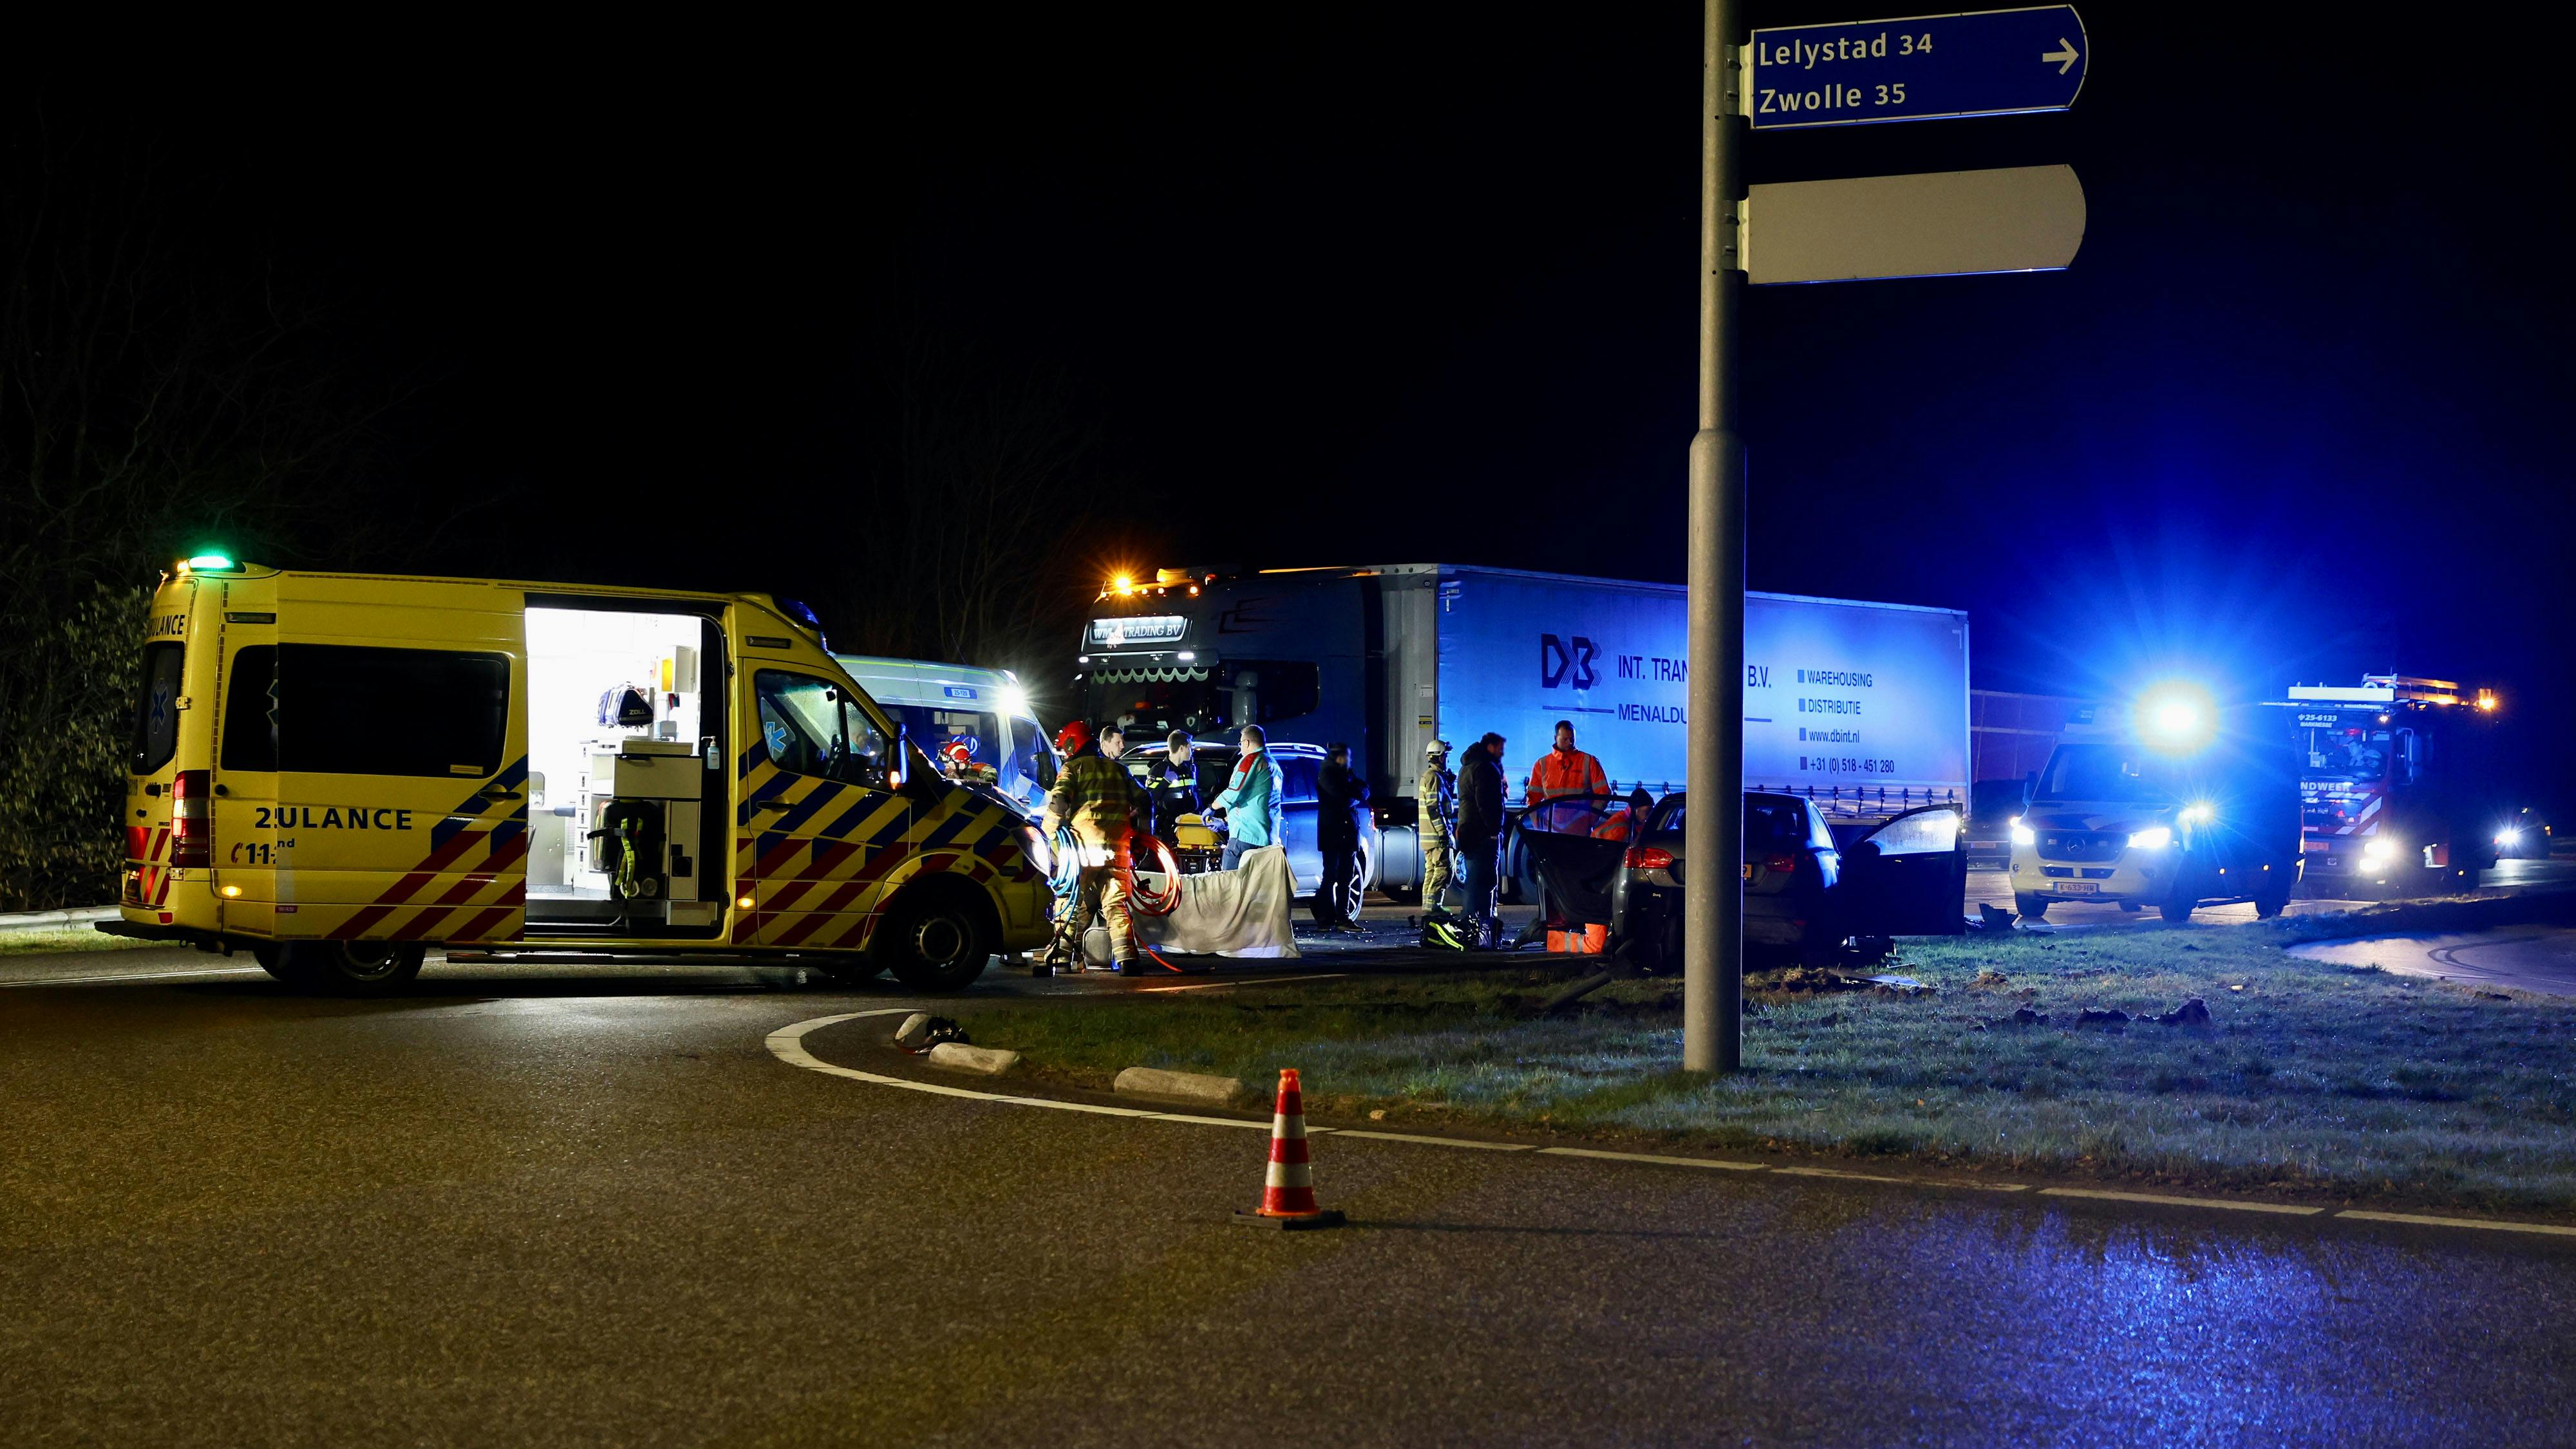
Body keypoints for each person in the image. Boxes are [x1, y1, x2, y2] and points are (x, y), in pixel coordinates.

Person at [1039, 722, 1150, 973]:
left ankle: (1060, 959)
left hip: (1084, 850)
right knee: (1116, 905)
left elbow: (1059, 801)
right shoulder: (1119, 770)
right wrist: (1144, 834)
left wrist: (1048, 835)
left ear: (1071, 745)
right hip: (1118, 851)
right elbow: (1145, 800)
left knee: (1069, 901)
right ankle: (1128, 960)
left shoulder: (1072, 768)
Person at [1207, 723, 1285, 871]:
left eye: (1241, 743)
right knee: (1256, 888)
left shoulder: (1251, 760)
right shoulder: (1272, 764)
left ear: (1247, 742)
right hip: (1266, 838)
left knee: (1230, 884)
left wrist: (1212, 807)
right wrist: (1225, 822)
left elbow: (1235, 791)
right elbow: (1254, 801)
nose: (1240, 748)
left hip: (1245, 838)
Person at [1313, 740, 1369, 930]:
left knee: (1346, 876)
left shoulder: (1348, 774)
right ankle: (1326, 918)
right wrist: (1353, 794)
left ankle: (1343, 918)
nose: (1350, 760)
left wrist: (1352, 793)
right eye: (1347, 756)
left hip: (1348, 834)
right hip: (1333, 834)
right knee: (1331, 875)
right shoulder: (1327, 774)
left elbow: (1365, 790)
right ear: (1339, 757)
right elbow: (1341, 800)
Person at [1455, 731, 1507, 933]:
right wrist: (1494, 830)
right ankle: (1484, 931)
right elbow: (1487, 804)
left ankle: (1470, 927)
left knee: (1473, 882)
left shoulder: (1467, 768)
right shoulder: (1485, 769)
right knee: (1486, 883)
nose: (1501, 753)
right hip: (1483, 833)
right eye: (1498, 749)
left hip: (1468, 830)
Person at [1525, 719, 1610, 836]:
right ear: (1556, 738)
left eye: (1572, 739)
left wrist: (1590, 819)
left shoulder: (1588, 761)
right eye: (1565, 739)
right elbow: (1533, 800)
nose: (1570, 742)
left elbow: (1604, 794)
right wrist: (1539, 827)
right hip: (1552, 832)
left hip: (1578, 832)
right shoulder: (1542, 764)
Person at [1417, 738, 1457, 910]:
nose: (1447, 759)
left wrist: (1450, 784)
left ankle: (1428, 907)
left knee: (1431, 872)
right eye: (1446, 756)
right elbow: (1434, 808)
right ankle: (1434, 907)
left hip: (1429, 837)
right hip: (1436, 836)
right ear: (1441, 758)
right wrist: (1443, 833)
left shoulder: (1431, 777)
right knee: (1443, 871)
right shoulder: (1434, 778)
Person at [1144, 730, 1199, 844]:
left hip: (1188, 826)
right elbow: (1148, 799)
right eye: (1190, 747)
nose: (1191, 751)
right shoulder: (1159, 770)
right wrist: (1165, 782)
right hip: (1166, 829)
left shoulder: (1187, 770)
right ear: (1182, 748)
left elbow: (1194, 795)